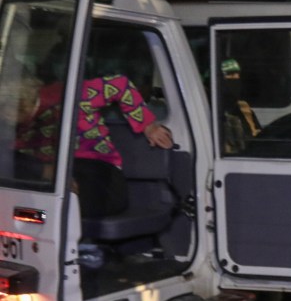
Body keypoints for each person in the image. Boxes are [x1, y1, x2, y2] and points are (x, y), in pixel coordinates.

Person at [16, 73, 173, 215]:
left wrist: (148, 125)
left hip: (99, 174)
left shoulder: (71, 94)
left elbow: (120, 84)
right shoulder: (20, 128)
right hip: (56, 178)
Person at [215, 58, 284, 301]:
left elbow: (258, 145)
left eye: (237, 76)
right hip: (224, 199)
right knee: (234, 277)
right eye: (228, 76)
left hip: (255, 197)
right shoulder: (207, 109)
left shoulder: (243, 109)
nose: (234, 82)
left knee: (271, 275)